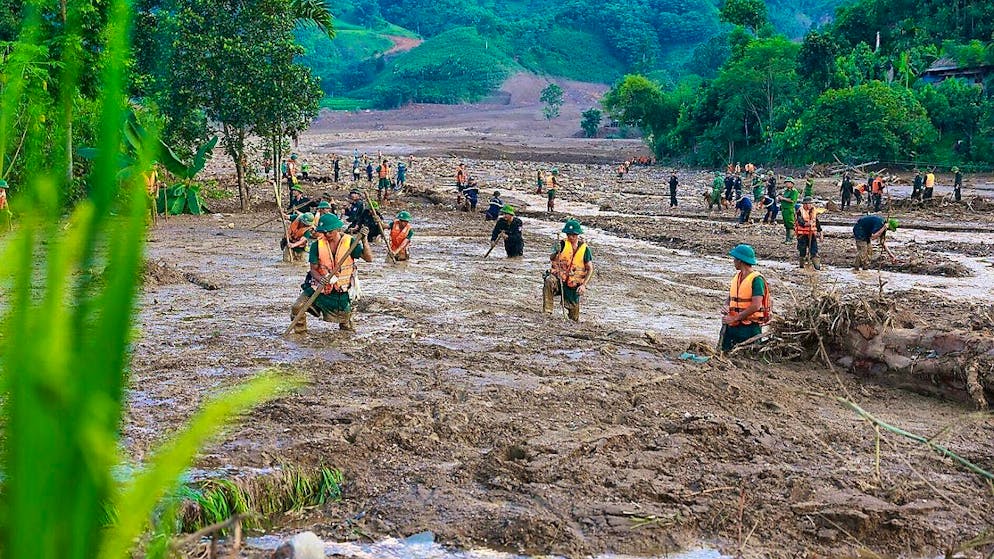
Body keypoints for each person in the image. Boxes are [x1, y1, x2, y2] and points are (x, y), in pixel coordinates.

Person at [289, 214, 373, 333]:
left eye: (330, 231)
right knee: (297, 307)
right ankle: (300, 334)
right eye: (324, 232)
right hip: (320, 286)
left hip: (340, 290)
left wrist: (364, 241)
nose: (327, 235)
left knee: (346, 324)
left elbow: (369, 258)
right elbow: (313, 269)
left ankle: (345, 341)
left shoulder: (350, 243)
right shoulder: (317, 245)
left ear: (337, 229)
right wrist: (320, 278)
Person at [721, 244, 770, 352]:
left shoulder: (757, 280)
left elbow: (756, 305)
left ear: (740, 261)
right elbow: (731, 296)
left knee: (749, 355)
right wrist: (726, 305)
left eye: (734, 259)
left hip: (750, 328)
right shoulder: (737, 277)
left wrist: (735, 318)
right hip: (733, 326)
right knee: (725, 353)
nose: (733, 261)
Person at [543, 219, 593, 322]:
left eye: (573, 235)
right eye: (569, 234)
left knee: (574, 318)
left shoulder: (585, 249)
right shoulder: (561, 244)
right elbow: (552, 258)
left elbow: (590, 268)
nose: (571, 237)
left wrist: (583, 285)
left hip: (573, 284)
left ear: (578, 235)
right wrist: (556, 251)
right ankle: (547, 312)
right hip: (559, 280)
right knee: (549, 280)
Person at [794, 196, 823, 270]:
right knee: (802, 251)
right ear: (803, 204)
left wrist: (820, 233)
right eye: (806, 203)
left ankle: (817, 267)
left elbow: (817, 222)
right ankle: (801, 266)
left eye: (809, 203)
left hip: (811, 234)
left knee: (814, 250)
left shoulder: (813, 211)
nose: (808, 205)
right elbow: (800, 222)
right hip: (802, 234)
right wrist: (807, 224)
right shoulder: (800, 211)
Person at [778, 178, 799, 244]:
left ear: (792, 183)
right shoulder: (786, 191)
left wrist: (783, 198)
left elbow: (792, 200)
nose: (786, 184)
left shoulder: (794, 191)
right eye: (786, 182)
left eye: (788, 182)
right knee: (786, 225)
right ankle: (787, 239)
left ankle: (790, 239)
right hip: (784, 210)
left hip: (789, 210)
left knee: (790, 224)